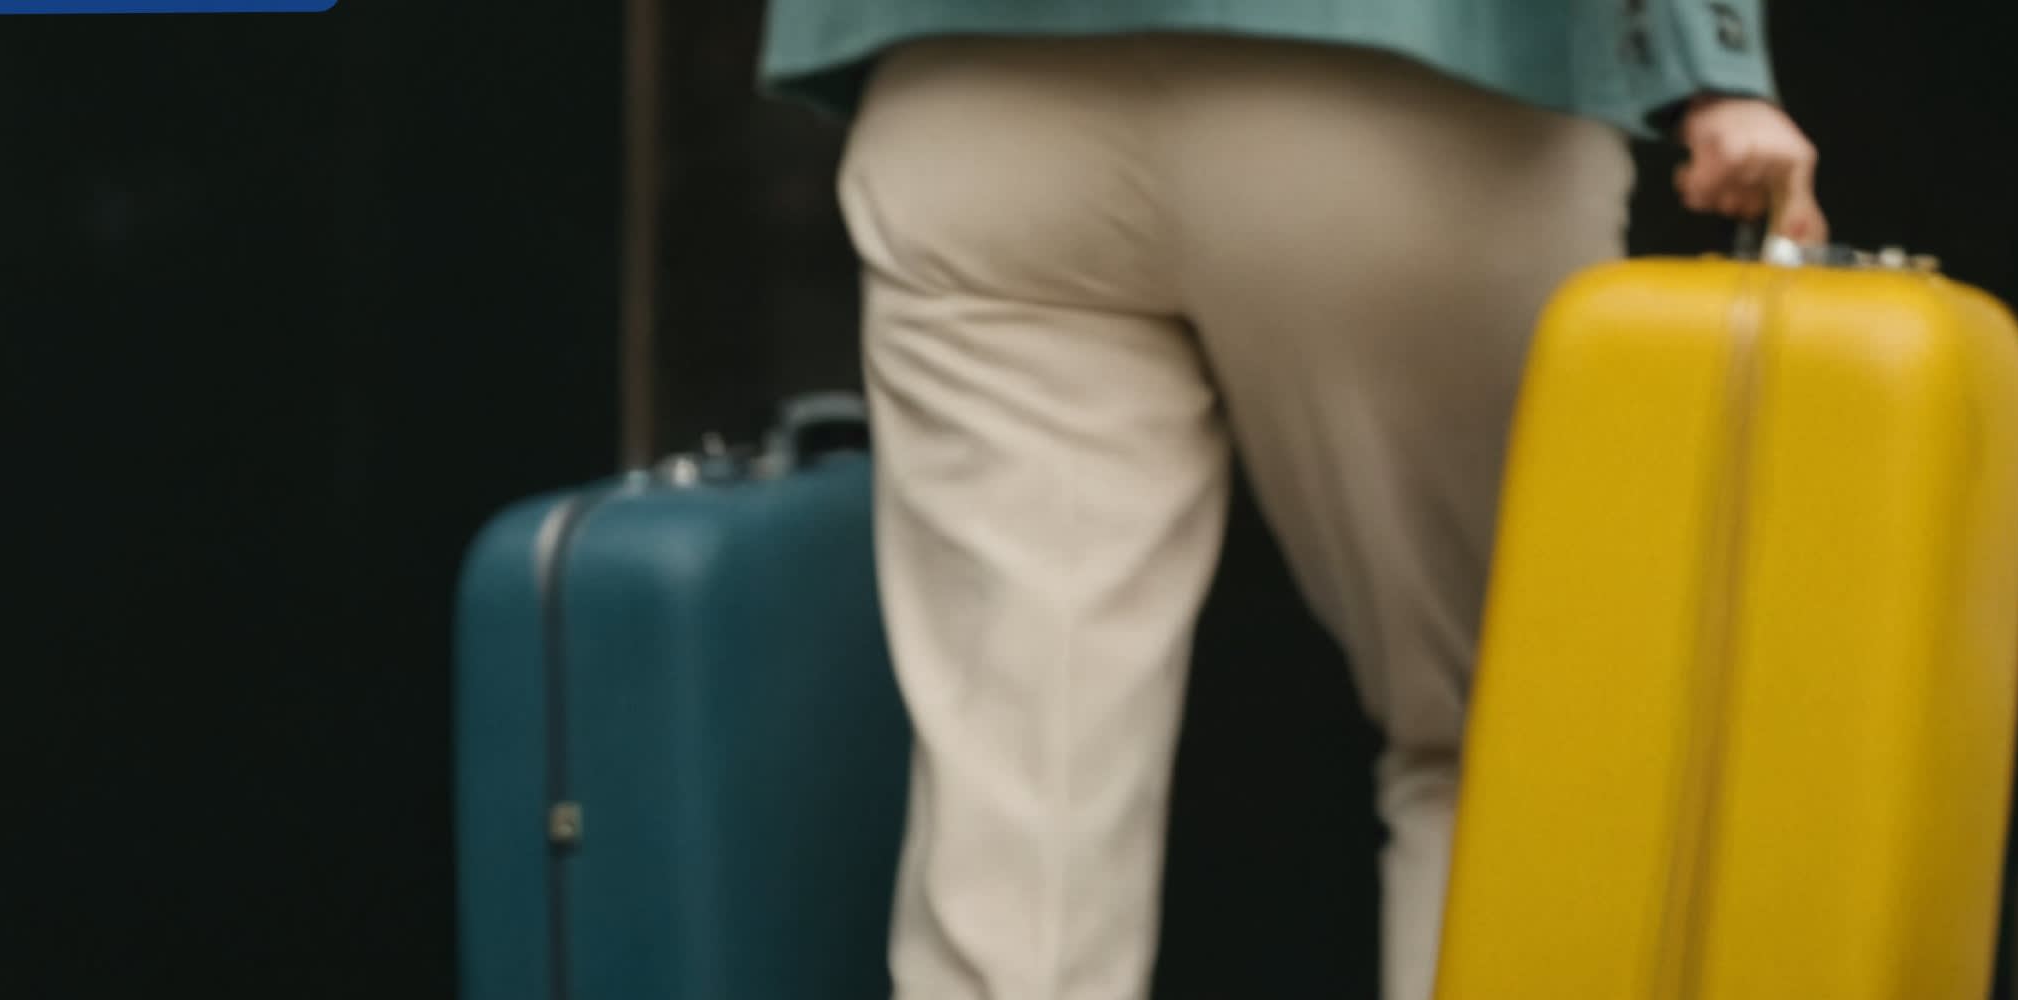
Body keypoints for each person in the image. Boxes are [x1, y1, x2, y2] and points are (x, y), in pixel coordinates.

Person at [752, 4, 1824, 999]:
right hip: (1407, 88)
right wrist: (1712, 66)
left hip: (971, 98)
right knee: (1494, 740)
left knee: (1024, 788)